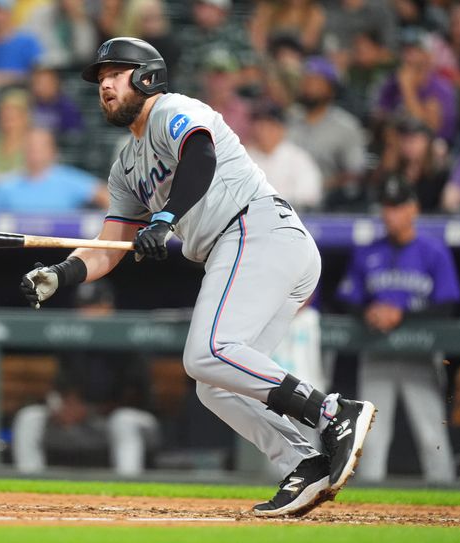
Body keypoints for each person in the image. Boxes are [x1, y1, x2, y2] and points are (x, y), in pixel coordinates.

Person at [19, 37, 376, 517]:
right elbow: (109, 247)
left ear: (147, 76)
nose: (104, 84)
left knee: (206, 352)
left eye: (115, 73)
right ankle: (304, 461)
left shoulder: (172, 110)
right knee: (216, 382)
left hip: (255, 229)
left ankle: (333, 412)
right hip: (258, 248)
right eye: (100, 79)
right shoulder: (126, 166)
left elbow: (200, 158)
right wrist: (60, 275)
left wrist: (165, 219)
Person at [337, 178, 460, 483]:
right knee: (373, 439)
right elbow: (347, 298)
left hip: (418, 353)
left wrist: (401, 313)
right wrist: (370, 310)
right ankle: (369, 509)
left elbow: (447, 304)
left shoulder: (433, 251)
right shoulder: (368, 252)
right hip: (377, 351)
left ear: (413, 209)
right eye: (387, 207)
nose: (390, 214)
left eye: (397, 207)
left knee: (431, 431)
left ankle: (449, 504)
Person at [12, 280, 159, 476]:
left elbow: (138, 398)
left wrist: (91, 409)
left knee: (123, 421)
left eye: (93, 306)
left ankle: (128, 488)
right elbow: (60, 386)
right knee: (29, 417)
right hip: (84, 425)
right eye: (83, 306)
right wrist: (63, 406)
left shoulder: (128, 341)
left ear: (108, 306)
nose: (86, 312)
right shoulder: (72, 343)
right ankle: (29, 486)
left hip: (132, 425)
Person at [286, 56, 367, 210]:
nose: (309, 86)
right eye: (306, 80)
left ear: (331, 88)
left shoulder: (346, 126)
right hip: (287, 201)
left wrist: (315, 184)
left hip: (329, 205)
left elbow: (355, 173)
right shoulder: (289, 121)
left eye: (316, 81)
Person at [0, 127, 109, 212]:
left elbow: (107, 196)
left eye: (41, 146)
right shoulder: (4, 185)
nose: (35, 152)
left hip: (63, 244)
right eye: (31, 146)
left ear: (53, 151)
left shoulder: (69, 179)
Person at [375, 27, 457, 142]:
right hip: (397, 143)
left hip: (437, 148)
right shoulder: (393, 82)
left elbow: (430, 131)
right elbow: (380, 116)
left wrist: (407, 89)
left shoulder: (441, 88)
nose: (406, 57)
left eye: (413, 51)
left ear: (427, 56)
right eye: (404, 50)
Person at [245, 100, 323, 211]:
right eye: (259, 124)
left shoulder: (298, 158)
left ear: (281, 129)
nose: (262, 131)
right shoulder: (244, 157)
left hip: (291, 219)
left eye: (269, 125)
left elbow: (309, 196)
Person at [30, 66, 84, 135]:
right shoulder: (28, 105)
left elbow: (74, 135)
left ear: (56, 83)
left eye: (46, 83)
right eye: (38, 83)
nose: (42, 87)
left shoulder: (67, 109)